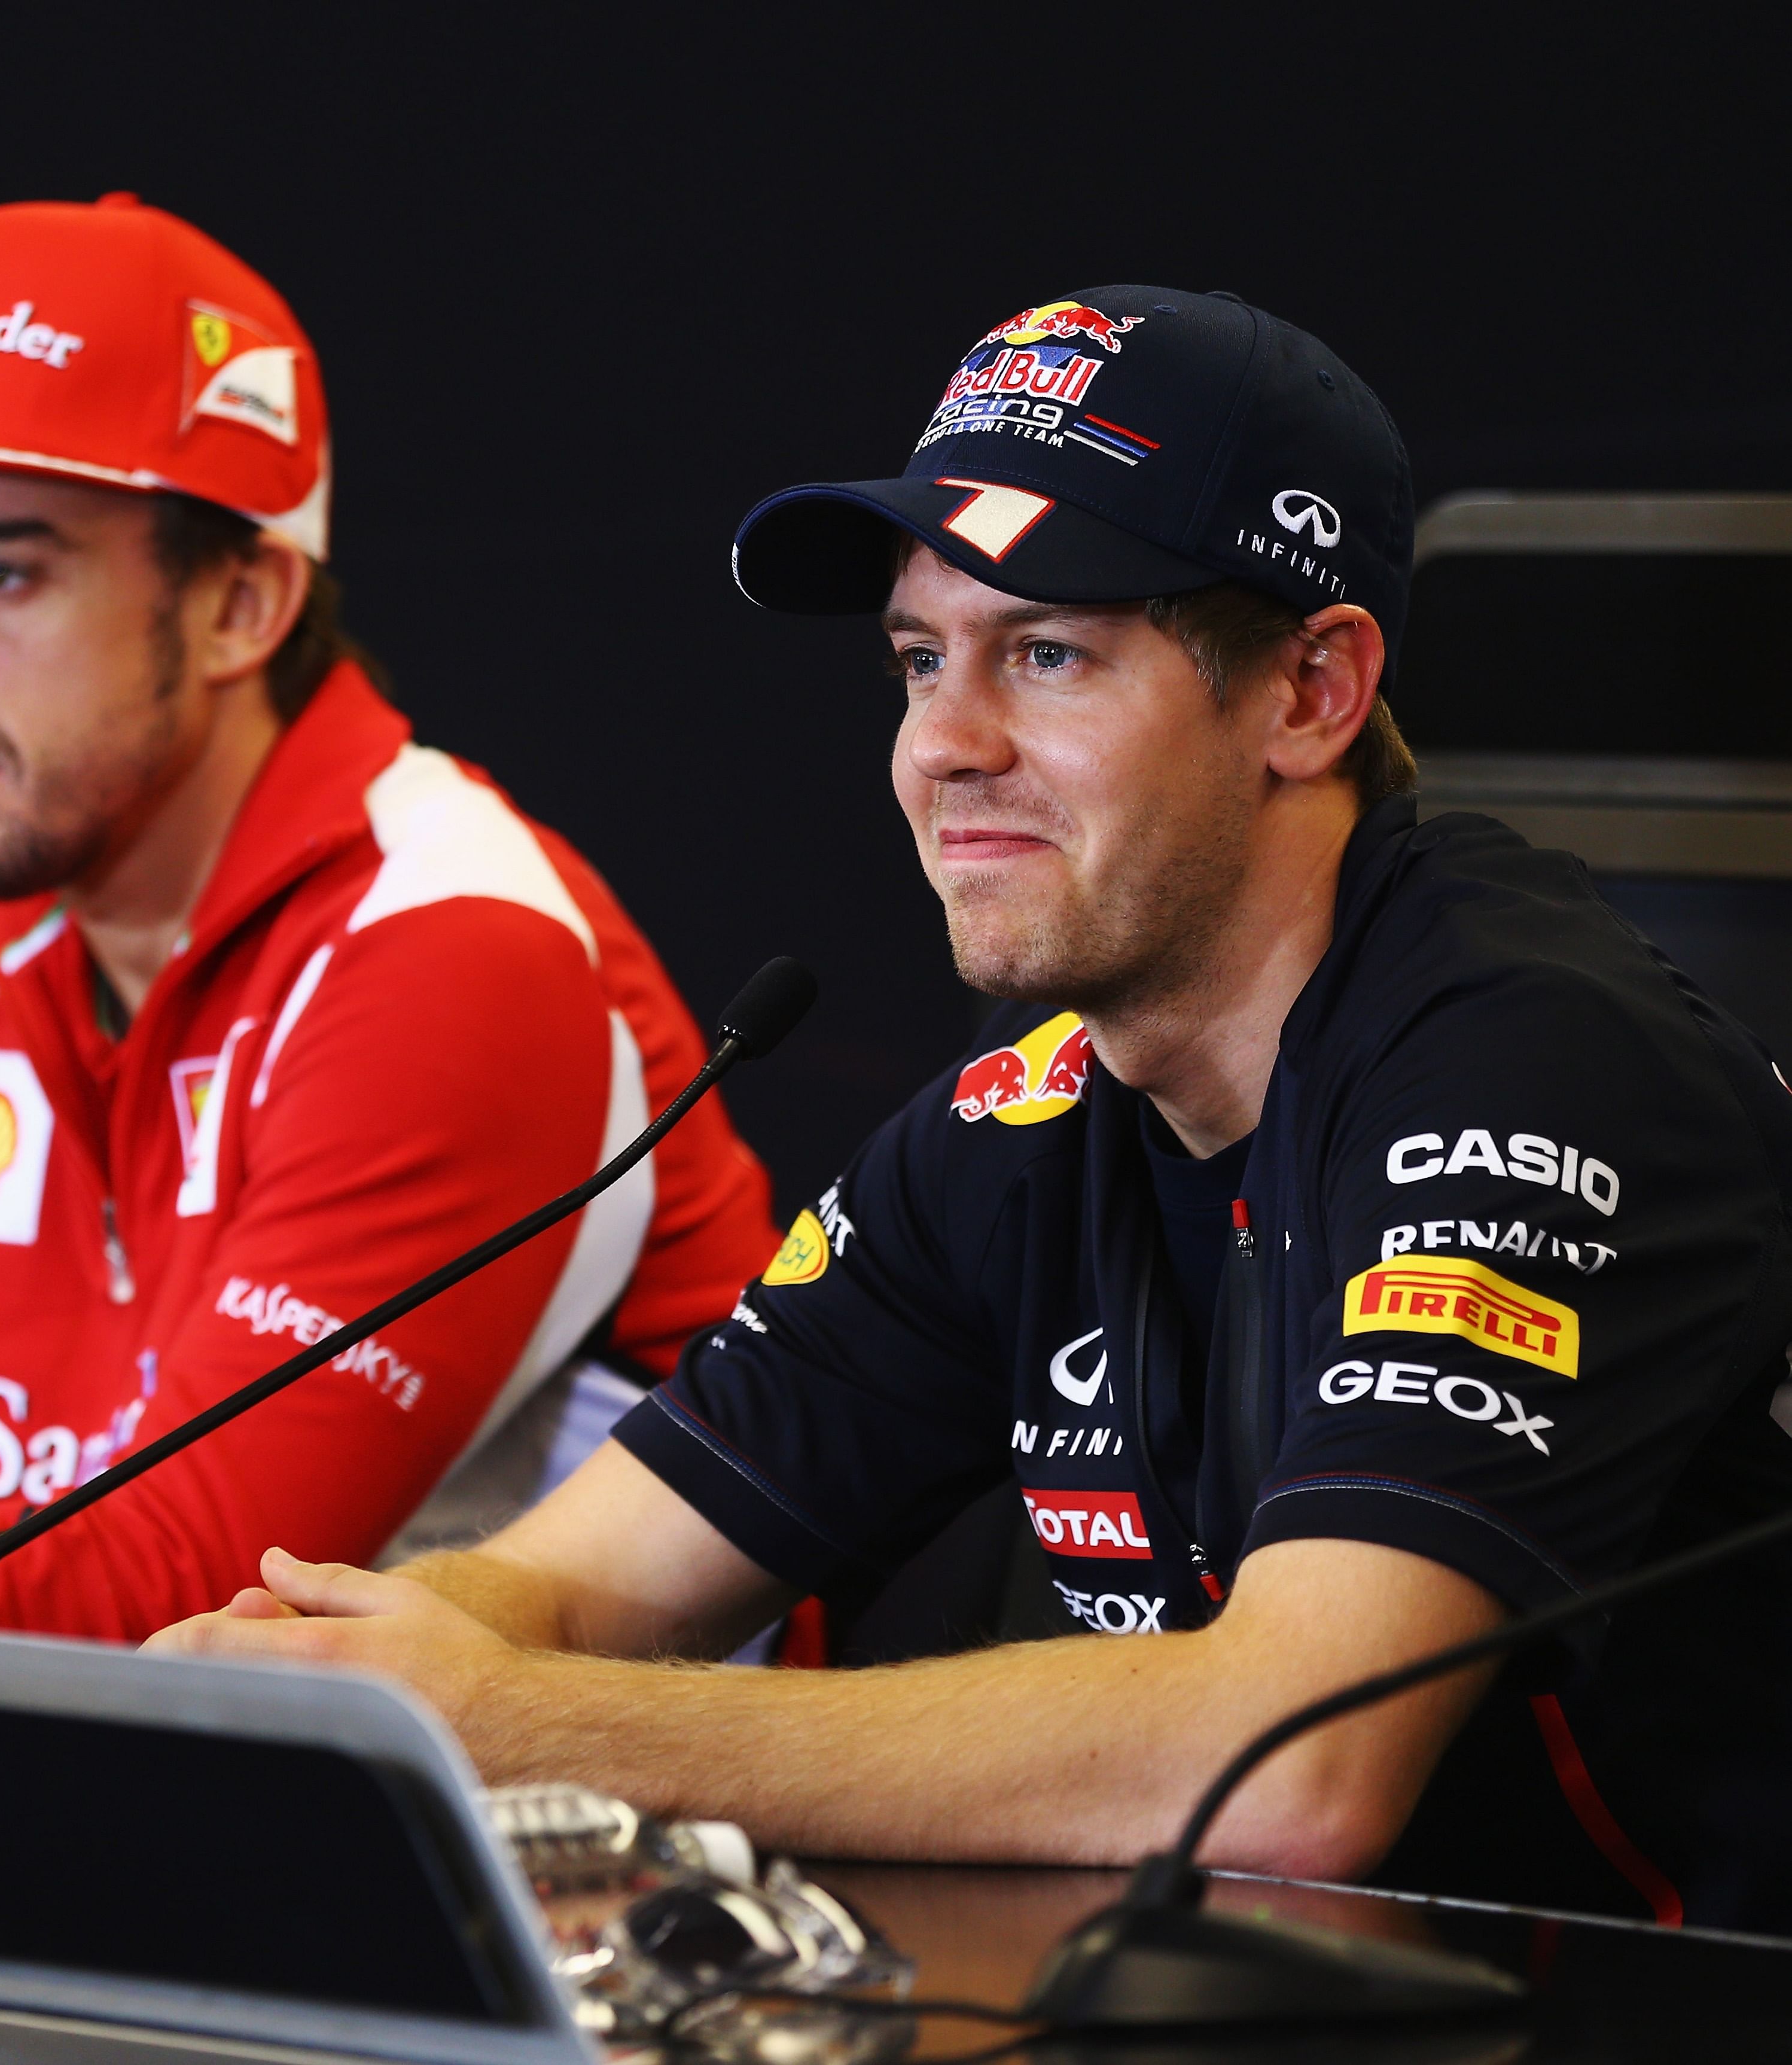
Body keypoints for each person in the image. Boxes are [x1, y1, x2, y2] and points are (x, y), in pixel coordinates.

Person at [151, 288, 1792, 1931]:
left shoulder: (1536, 1059)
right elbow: (570, 1585)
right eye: (920, 659)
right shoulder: (1015, 1127)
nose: (939, 746)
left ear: (1308, 692)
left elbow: (1290, 1771)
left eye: (1048, 652)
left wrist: (525, 1727)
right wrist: (333, 1675)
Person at [0, 194, 779, 1640]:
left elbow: (188, 1604)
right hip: (183, 1807)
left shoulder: (455, 947)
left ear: (241, 602)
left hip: (598, 1832)